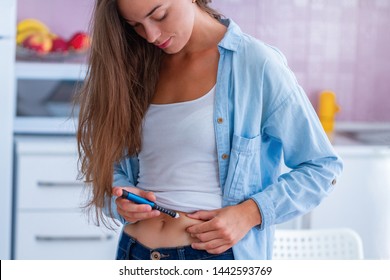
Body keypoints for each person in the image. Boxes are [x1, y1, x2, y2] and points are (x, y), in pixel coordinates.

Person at [76, 0, 343, 260]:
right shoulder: (135, 64)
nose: (151, 35)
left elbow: (322, 166)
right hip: (134, 253)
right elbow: (110, 164)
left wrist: (250, 213)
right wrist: (122, 198)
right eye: (135, 25)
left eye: (159, 15)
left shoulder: (256, 64)